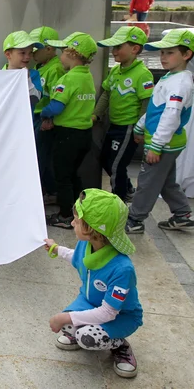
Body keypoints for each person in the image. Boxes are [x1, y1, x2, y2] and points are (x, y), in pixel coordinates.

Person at [44, 189, 142, 379]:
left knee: (86, 337)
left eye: (77, 220)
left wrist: (66, 318)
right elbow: (79, 258)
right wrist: (57, 249)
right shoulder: (88, 243)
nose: (72, 223)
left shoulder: (122, 269)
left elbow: (108, 313)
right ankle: (82, 331)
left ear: (93, 229)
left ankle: (120, 344)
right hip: (90, 303)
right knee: (66, 323)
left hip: (120, 316)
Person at [126, 29, 194, 233]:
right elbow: (156, 108)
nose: (163, 57)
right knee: (165, 180)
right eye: (162, 53)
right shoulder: (171, 77)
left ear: (186, 54)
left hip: (164, 144)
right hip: (166, 142)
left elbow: (171, 116)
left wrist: (156, 146)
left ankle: (135, 220)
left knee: (147, 182)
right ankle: (182, 214)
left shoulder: (180, 83)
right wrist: (140, 126)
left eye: (170, 52)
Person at [41, 32, 97, 229]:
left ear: (72, 54)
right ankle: (79, 210)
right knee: (74, 174)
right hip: (84, 134)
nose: (60, 57)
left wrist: (42, 114)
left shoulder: (68, 79)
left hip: (67, 135)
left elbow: (56, 107)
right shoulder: (87, 77)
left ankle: (65, 215)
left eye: (62, 52)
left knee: (62, 176)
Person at [93, 26, 155, 202]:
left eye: (118, 47)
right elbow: (106, 94)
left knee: (116, 165)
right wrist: (96, 115)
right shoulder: (115, 70)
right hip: (113, 125)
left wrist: (140, 129)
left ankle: (117, 200)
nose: (114, 52)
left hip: (129, 128)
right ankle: (127, 188)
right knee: (106, 159)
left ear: (135, 49)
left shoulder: (143, 74)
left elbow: (147, 103)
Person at [30, 26, 67, 205]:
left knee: (41, 157)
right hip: (35, 117)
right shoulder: (40, 67)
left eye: (36, 49)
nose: (32, 52)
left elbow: (56, 97)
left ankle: (49, 191)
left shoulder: (56, 69)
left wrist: (48, 119)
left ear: (49, 49)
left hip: (43, 120)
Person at [2, 30, 44, 111]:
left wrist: (27, 80)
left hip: (25, 122)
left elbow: (35, 99)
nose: (28, 57)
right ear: (8, 54)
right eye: (22, 53)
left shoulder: (34, 75)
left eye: (30, 53)